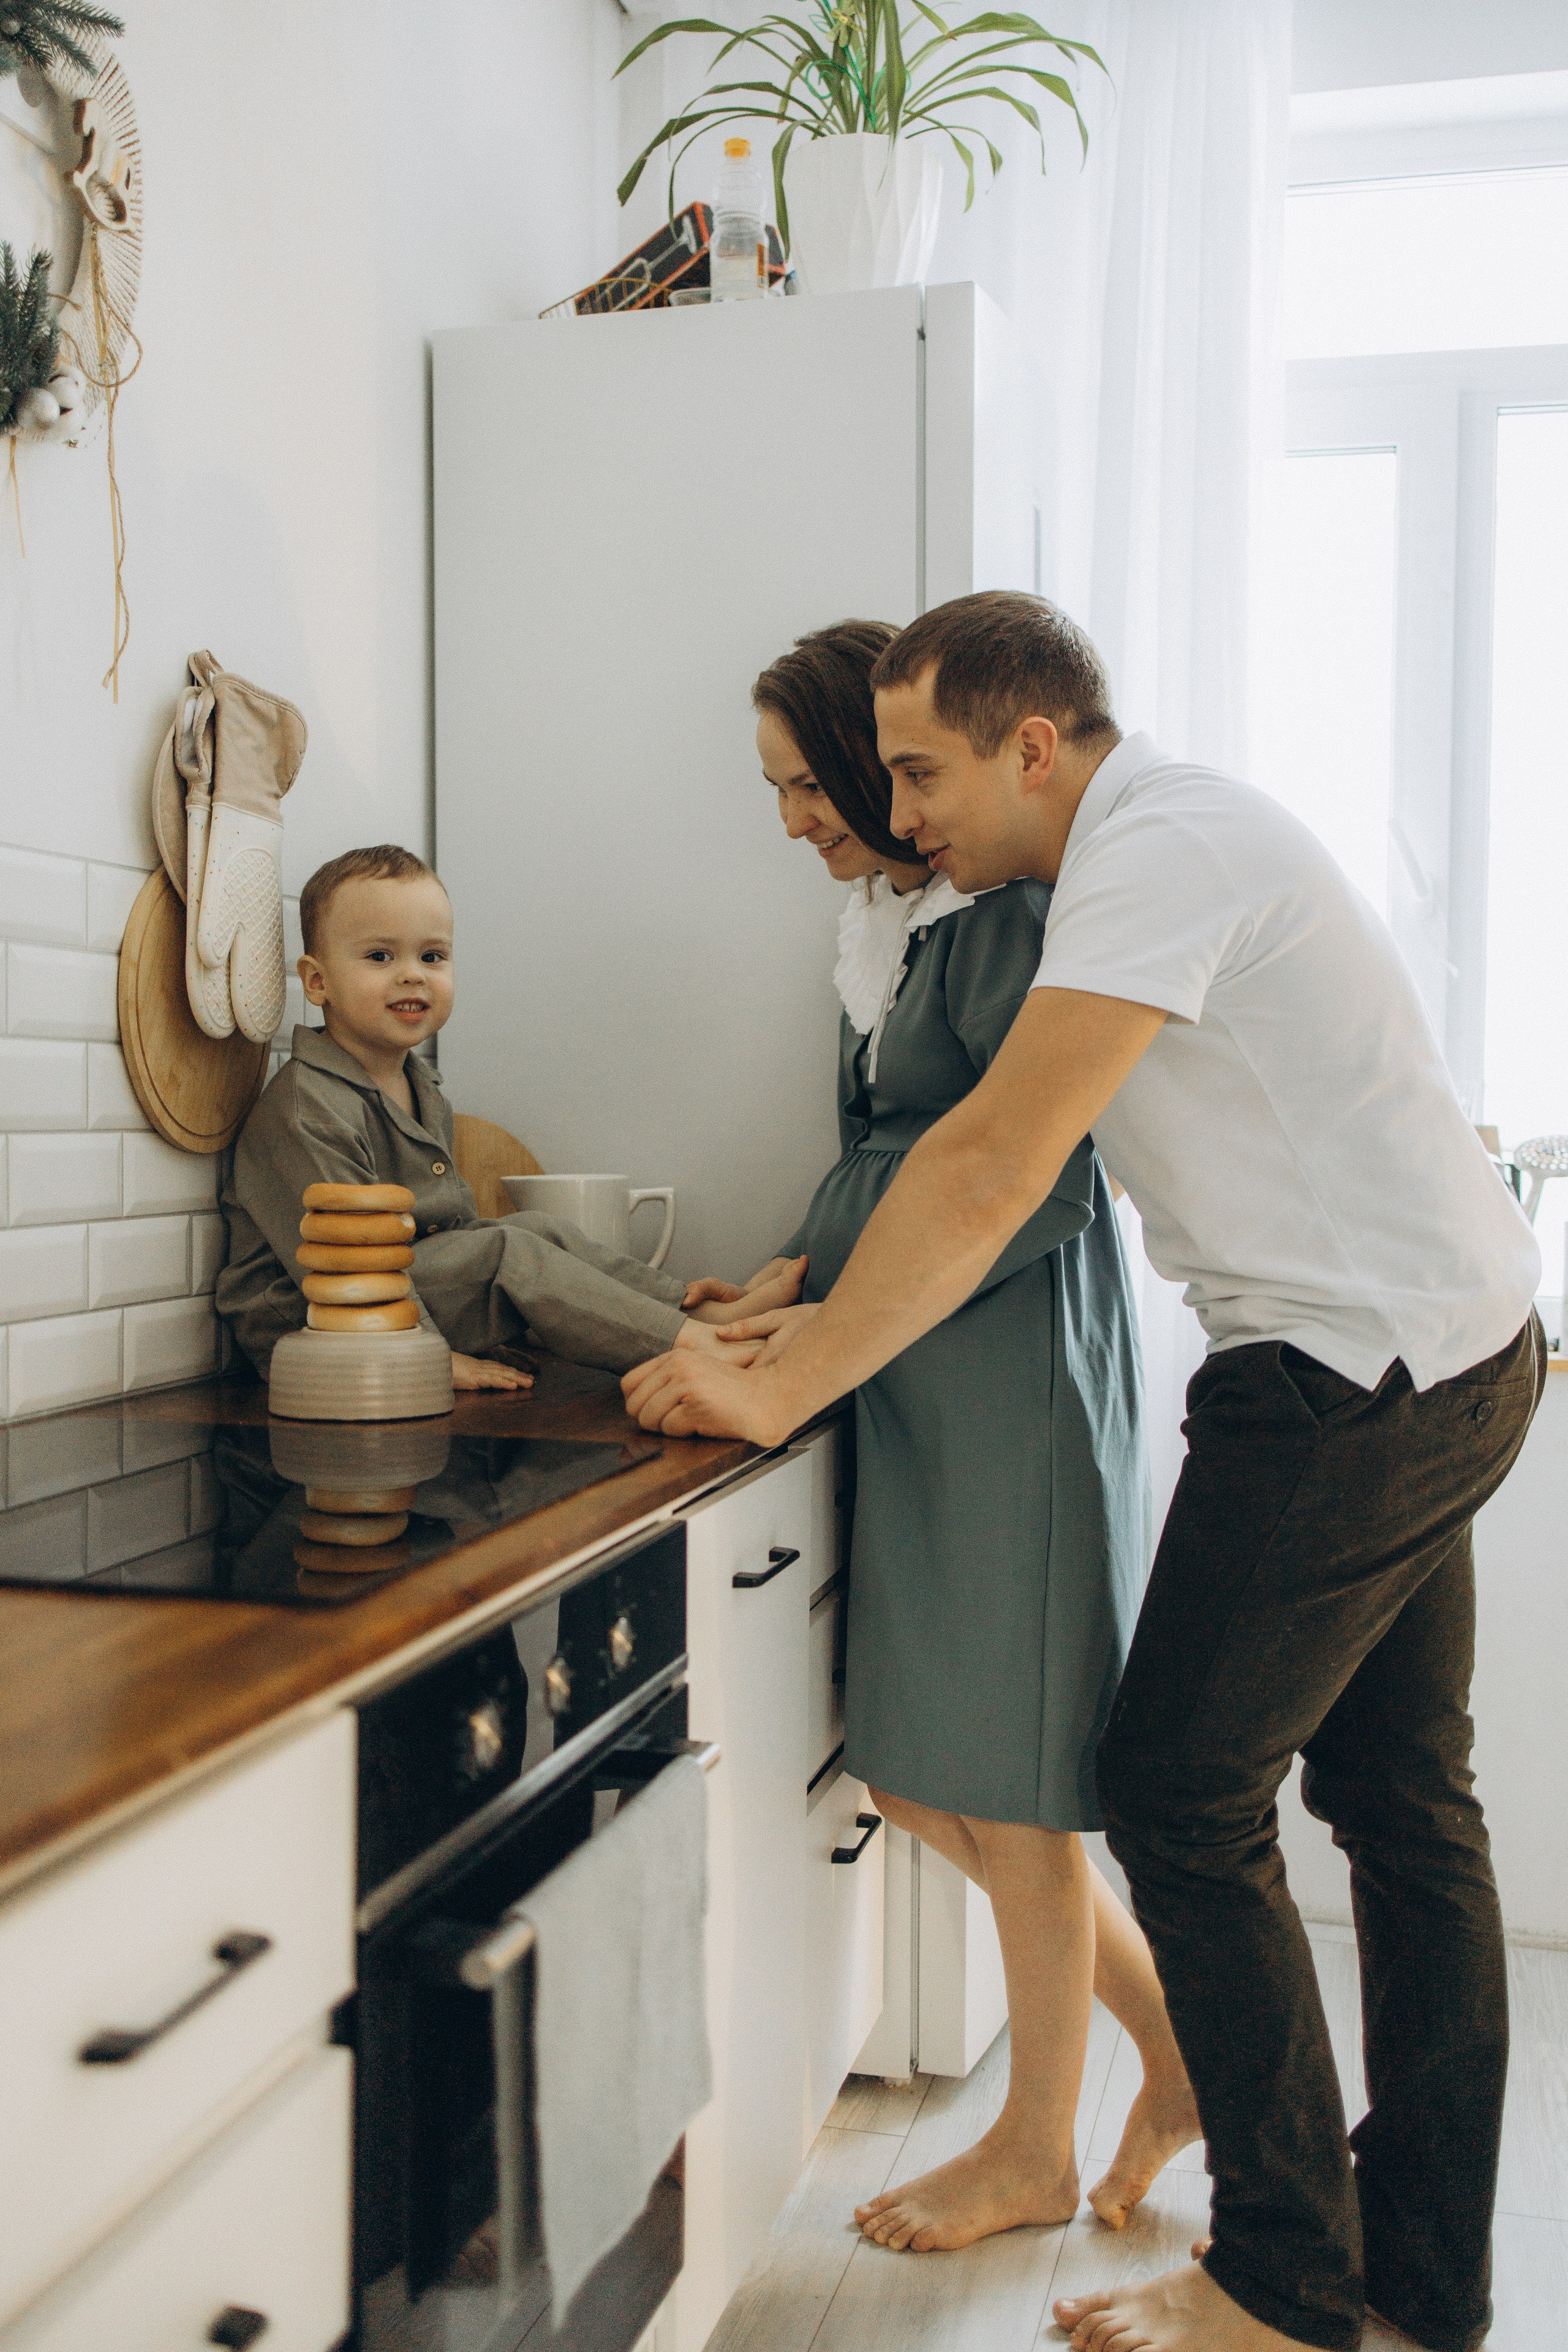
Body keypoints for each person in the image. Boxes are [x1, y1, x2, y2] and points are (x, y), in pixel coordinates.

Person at [622, 594, 1543, 2352]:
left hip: (1355, 1375)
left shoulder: (1156, 852)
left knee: (1181, 1793)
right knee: (1407, 1817)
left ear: (1033, 745)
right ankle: (1409, 2291)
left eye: (920, 768)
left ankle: (1278, 2281)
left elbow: (993, 1160)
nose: (900, 813)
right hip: (1436, 1340)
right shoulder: (1152, 841)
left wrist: (789, 1373)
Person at [683, 620, 1197, 2252]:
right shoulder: (891, 925)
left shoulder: (1007, 919)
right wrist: (797, 1273)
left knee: (1016, 1782)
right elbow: (892, 1154)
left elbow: (1006, 1174)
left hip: (1004, 1366)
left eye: (805, 783)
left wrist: (820, 1313)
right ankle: (1181, 2045)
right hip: (906, 1362)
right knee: (920, 1773)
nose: (797, 819)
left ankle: (1034, 2147)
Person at [217, 844, 801, 1385]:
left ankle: (695, 1310)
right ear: (317, 982)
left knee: (532, 1229)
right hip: (315, 1332)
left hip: (399, 1299)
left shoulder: (421, 1086)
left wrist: (479, 1326)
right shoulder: (305, 1107)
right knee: (510, 1251)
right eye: (379, 956)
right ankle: (692, 1345)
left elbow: (458, 1237)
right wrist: (429, 1358)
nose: (413, 973)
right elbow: (347, 1265)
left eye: (433, 955)